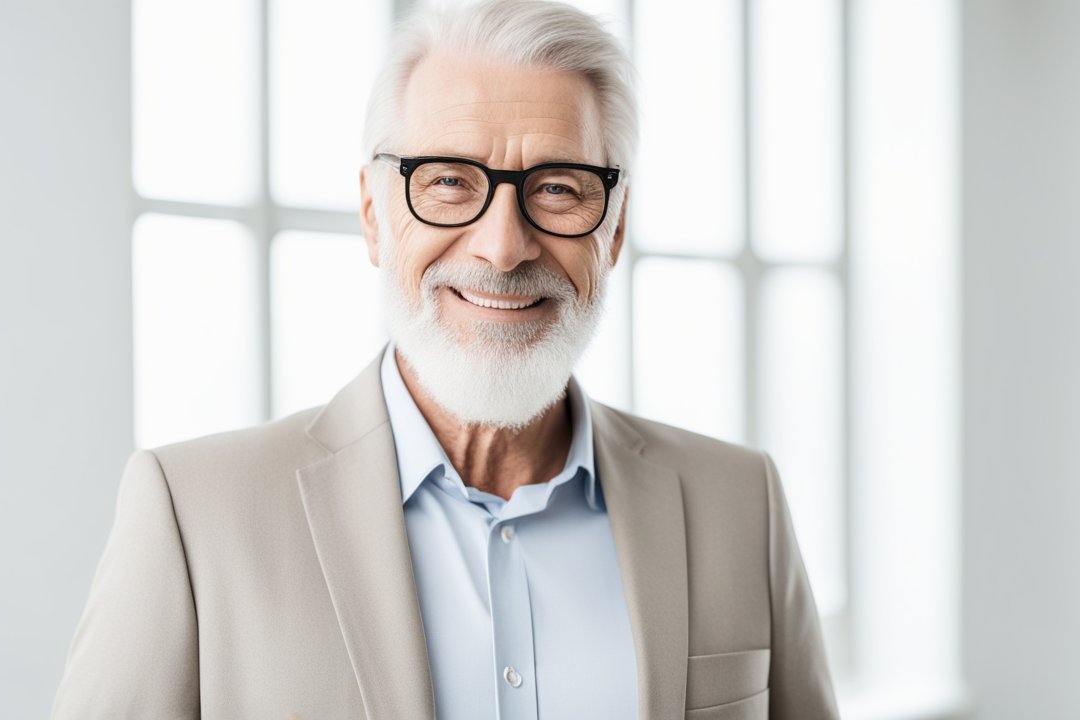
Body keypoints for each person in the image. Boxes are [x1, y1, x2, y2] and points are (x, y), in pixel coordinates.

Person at [51, 1, 839, 718]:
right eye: (451, 182)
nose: (502, 248)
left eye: (559, 188)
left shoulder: (742, 504)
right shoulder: (194, 519)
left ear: (617, 227)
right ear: (373, 215)